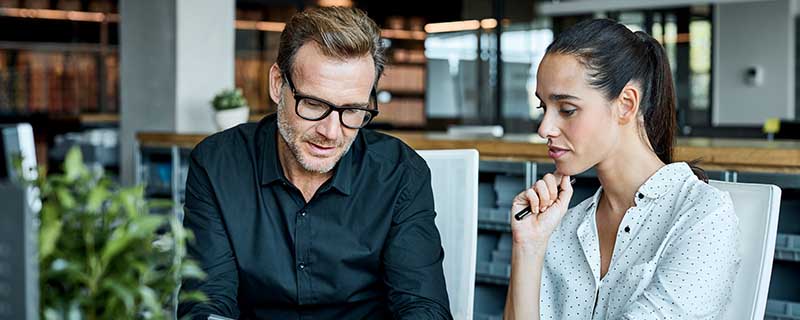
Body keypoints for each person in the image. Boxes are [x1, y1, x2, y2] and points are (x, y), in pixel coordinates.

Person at [178, 7, 451, 320]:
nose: (331, 133)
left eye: (353, 110)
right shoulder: (217, 165)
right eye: (314, 104)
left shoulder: (400, 173)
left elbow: (423, 308)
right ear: (277, 83)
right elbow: (205, 303)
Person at [504, 19, 740, 319]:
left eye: (566, 110)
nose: (544, 128)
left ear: (626, 104)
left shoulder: (703, 217)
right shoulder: (561, 226)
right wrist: (528, 247)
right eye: (543, 108)